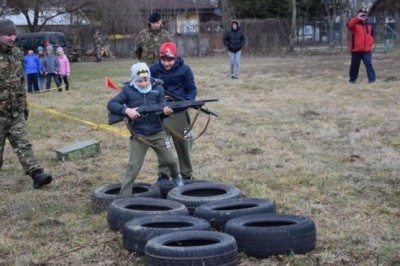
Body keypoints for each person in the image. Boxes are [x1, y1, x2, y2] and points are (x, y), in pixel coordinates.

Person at [107, 62, 183, 195]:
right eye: (139, 81)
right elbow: (111, 104)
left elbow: (161, 107)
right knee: (133, 167)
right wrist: (126, 110)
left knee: (171, 160)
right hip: (139, 135)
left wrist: (165, 112)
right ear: (134, 79)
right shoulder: (128, 90)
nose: (143, 83)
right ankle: (123, 197)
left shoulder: (158, 89)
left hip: (158, 133)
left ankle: (177, 179)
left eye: (145, 80)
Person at [0, 19, 52, 189]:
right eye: (8, 34)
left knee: (23, 143)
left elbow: (20, 82)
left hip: (15, 111)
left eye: (14, 34)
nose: (12, 38)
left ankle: (37, 174)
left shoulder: (17, 54)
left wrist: (24, 106)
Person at [150, 42, 197, 181]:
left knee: (185, 144)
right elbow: (149, 89)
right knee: (163, 145)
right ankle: (164, 175)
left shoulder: (185, 69)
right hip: (161, 115)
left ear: (176, 58)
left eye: (170, 60)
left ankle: (187, 175)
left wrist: (187, 101)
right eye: (163, 60)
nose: (166, 63)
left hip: (180, 114)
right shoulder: (153, 69)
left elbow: (192, 89)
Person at [346, 8, 376, 84]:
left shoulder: (369, 25)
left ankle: (372, 80)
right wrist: (357, 18)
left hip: (366, 50)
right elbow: (349, 25)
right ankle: (352, 80)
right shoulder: (354, 23)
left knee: (369, 64)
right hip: (356, 50)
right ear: (358, 14)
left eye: (365, 14)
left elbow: (371, 35)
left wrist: (371, 44)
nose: (363, 16)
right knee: (355, 66)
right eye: (362, 14)